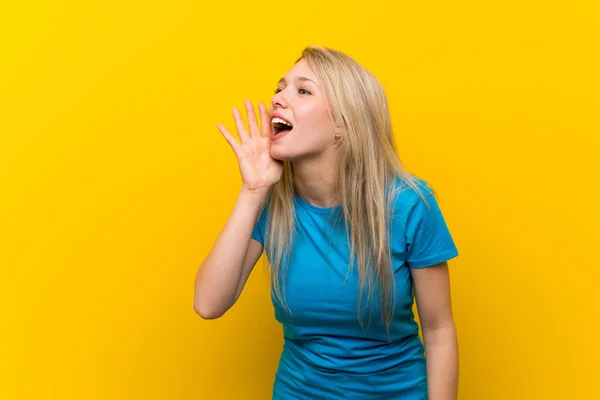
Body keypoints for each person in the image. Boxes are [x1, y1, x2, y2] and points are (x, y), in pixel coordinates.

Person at [194, 45, 460, 400]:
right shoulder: (272, 206)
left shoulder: (408, 204)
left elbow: (439, 329)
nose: (279, 99)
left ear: (342, 124)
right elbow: (208, 304)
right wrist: (253, 190)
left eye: (303, 90)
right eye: (280, 88)